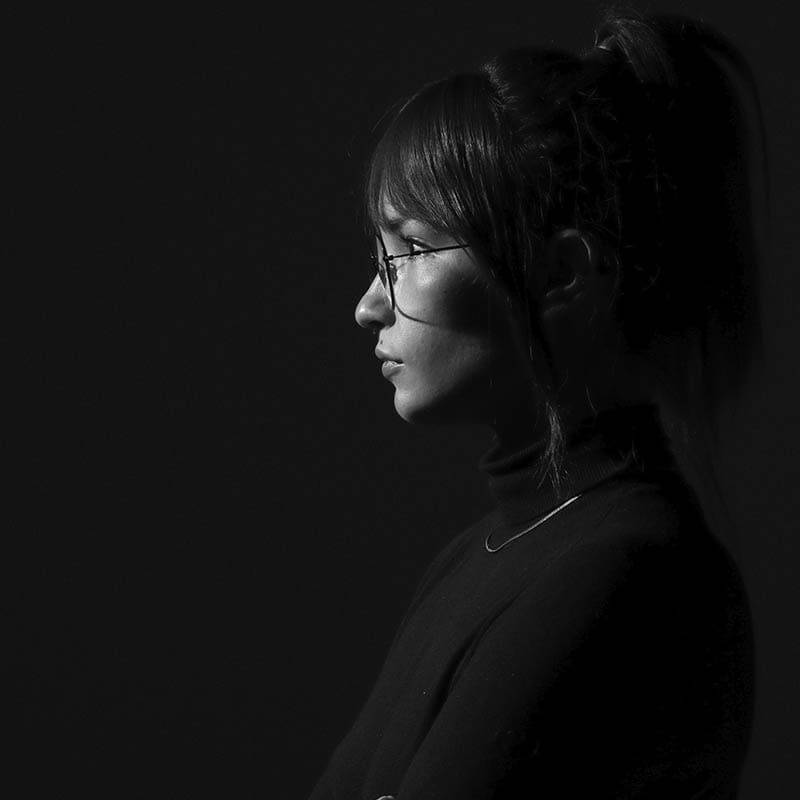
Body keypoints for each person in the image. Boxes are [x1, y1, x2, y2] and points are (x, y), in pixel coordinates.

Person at [310, 7, 766, 799]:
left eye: (409, 252)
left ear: (562, 275)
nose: (367, 307)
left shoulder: (628, 575)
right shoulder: (477, 559)